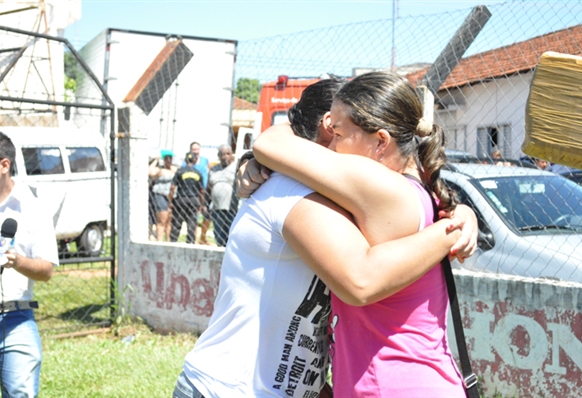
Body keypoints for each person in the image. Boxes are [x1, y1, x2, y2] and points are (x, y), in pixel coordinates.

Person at [174, 79, 477, 398]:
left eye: (341, 134)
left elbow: (361, 280)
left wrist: (451, 231)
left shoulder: (384, 189)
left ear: (380, 141)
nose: (334, 148)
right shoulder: (319, 192)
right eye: (331, 134)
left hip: (397, 383)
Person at [0, 131, 58, 397]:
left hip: (15, 318)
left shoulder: (32, 208)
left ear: (4, 165)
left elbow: (46, 270)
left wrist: (19, 261)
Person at [204, 145, 238, 247]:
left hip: (232, 209)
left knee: (232, 235)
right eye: (222, 154)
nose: (225, 156)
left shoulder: (236, 168)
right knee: (219, 236)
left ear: (232, 155)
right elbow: (208, 189)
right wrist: (205, 205)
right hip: (217, 209)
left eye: (228, 154)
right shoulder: (214, 169)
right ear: (218, 156)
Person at [169, 152, 204, 244]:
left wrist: (170, 200)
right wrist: (200, 203)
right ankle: (190, 242)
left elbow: (173, 186)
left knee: (177, 222)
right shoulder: (198, 173)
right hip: (193, 199)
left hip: (181, 199)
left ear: (185, 160)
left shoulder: (180, 171)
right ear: (195, 160)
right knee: (192, 222)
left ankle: (173, 241)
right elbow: (201, 191)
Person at [183, 142, 211, 244]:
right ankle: (193, 239)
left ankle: (202, 239)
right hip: (193, 192)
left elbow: (210, 171)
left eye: (197, 149)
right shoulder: (186, 161)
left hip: (204, 191)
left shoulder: (205, 161)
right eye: (194, 149)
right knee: (194, 218)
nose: (195, 151)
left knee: (207, 215)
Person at [149, 150, 177, 242]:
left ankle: (169, 240)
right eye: (166, 158)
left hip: (171, 197)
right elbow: (149, 172)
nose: (168, 160)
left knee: (169, 221)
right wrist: (156, 159)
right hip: (160, 195)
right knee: (162, 220)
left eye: (170, 158)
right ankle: (160, 240)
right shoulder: (159, 169)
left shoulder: (174, 169)